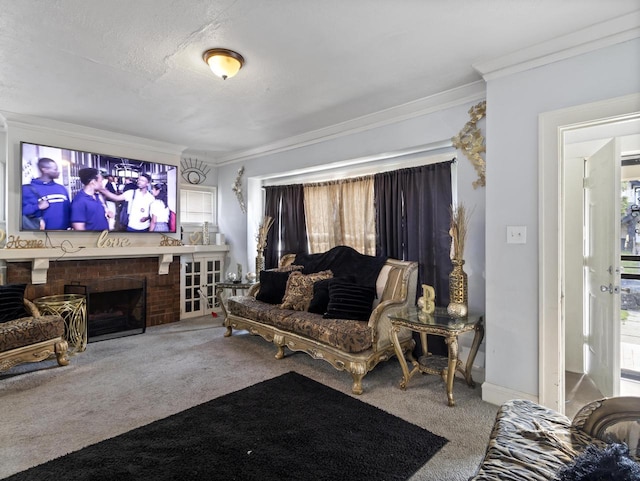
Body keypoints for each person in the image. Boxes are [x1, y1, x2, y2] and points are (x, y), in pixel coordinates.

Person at [21, 157, 71, 230]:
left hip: (63, 234)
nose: (58, 171)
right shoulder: (27, 189)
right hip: (41, 235)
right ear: (45, 170)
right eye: (55, 169)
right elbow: (19, 212)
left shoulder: (61, 188)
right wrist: (37, 206)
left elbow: (68, 209)